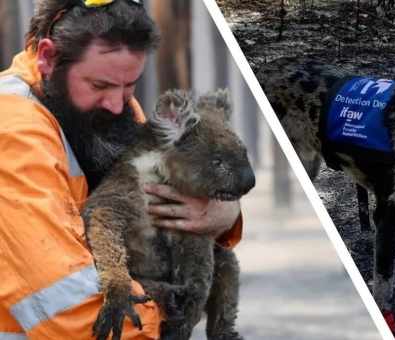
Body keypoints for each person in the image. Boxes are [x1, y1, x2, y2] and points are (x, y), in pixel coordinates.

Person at [0, 0, 243, 339]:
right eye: (100, 86)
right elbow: (69, 311)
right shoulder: (10, 130)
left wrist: (226, 212)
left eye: (130, 85)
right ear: (47, 57)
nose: (118, 104)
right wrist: (171, 323)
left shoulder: (109, 108)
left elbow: (170, 188)